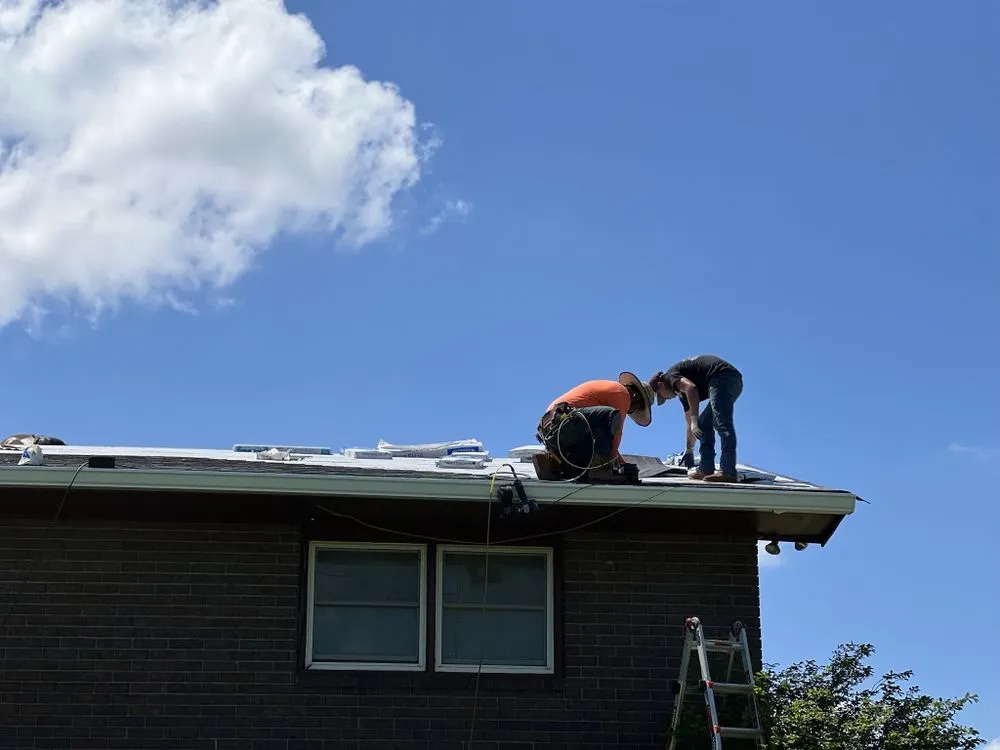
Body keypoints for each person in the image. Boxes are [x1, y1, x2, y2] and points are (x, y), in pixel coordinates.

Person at [534, 372, 654, 482]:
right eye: (636, 408)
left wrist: (622, 464)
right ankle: (599, 471)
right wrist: (611, 465)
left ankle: (551, 463)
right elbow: (616, 433)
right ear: (635, 396)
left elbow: (606, 441)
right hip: (563, 424)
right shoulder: (622, 393)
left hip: (552, 431)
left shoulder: (607, 392)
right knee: (610, 415)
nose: (630, 411)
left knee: (584, 466)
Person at [648, 355, 743, 483]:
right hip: (726, 380)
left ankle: (728, 470)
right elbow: (690, 424)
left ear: (660, 385)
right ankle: (706, 468)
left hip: (723, 376)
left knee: (721, 423)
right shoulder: (681, 393)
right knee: (703, 424)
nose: (666, 399)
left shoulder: (670, 377)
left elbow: (691, 388)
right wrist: (689, 450)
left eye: (661, 396)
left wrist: (694, 420)